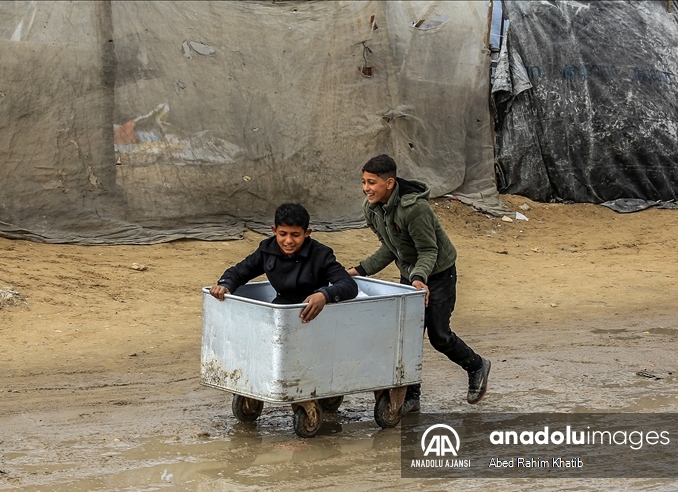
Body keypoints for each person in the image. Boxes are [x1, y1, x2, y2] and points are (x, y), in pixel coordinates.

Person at [346, 154, 491, 410]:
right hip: (412, 275)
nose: (366, 188)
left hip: (439, 273)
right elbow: (390, 247)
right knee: (408, 337)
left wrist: (419, 278)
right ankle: (412, 397)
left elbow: (429, 250)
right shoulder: (372, 209)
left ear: (389, 183)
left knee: (439, 336)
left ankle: (477, 365)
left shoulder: (415, 209)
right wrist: (359, 270)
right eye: (364, 182)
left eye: (372, 182)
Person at [210, 202, 357, 322]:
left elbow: (348, 285)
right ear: (274, 230)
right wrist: (225, 285)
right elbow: (238, 272)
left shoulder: (321, 254)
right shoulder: (267, 250)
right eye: (283, 234)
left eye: (295, 235)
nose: (288, 241)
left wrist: (324, 295)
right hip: (281, 311)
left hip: (316, 315)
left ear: (307, 233)